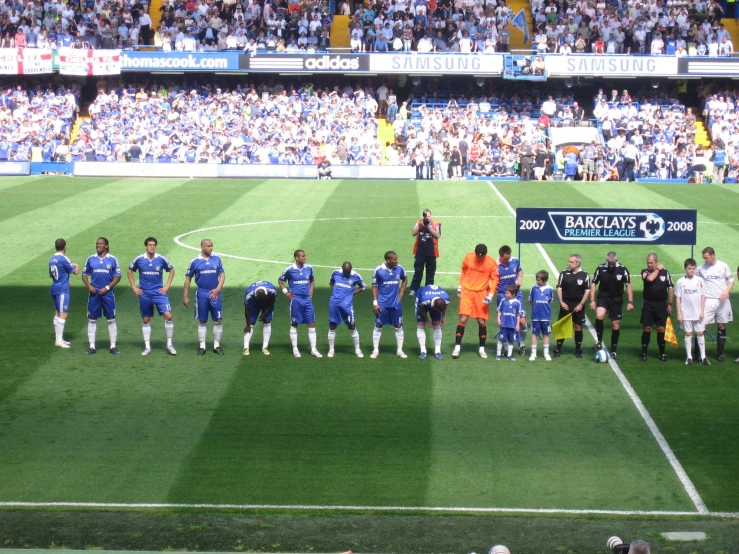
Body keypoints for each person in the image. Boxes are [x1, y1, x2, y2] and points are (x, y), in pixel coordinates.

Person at [127, 237, 176, 356]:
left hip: (159, 292)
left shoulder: (161, 259)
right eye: (150, 245)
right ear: (146, 246)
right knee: (146, 319)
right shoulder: (139, 259)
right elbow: (129, 271)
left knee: (168, 316)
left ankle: (169, 344)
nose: (152, 247)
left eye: (154, 245)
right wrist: (134, 286)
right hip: (144, 293)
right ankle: (147, 347)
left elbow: (171, 270)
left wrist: (167, 285)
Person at [452, 244, 499, 359]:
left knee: (481, 322)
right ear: (475, 253)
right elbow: (463, 271)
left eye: (481, 256)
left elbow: (495, 279)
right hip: (467, 291)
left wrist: (491, 294)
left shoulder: (491, 263)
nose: (479, 258)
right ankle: (457, 347)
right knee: (463, 318)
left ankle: (482, 348)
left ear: (485, 255)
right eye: (478, 256)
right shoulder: (468, 257)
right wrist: (460, 286)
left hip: (481, 292)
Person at [183, 238, 225, 356]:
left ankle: (217, 345)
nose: (211, 248)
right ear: (202, 247)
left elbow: (222, 275)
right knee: (202, 320)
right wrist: (185, 296)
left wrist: (217, 289)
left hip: (215, 294)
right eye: (208, 246)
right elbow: (188, 279)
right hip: (202, 294)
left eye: (212, 246)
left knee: (218, 319)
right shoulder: (194, 262)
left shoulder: (217, 259)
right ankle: (202, 346)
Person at [589, 251, 633, 360]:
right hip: (603, 297)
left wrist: (630, 301)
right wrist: (592, 300)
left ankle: (613, 351)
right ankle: (599, 341)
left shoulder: (623, 269)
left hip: (617, 299)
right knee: (599, 315)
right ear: (607, 261)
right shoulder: (601, 268)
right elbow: (594, 284)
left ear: (616, 261)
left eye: (613, 263)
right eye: (609, 263)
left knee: (615, 324)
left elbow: (628, 285)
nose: (611, 265)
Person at [81, 237, 122, 355]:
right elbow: (84, 275)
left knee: (111, 319)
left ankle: (113, 346)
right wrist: (89, 286)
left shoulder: (113, 259)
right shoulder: (91, 259)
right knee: (92, 319)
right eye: (97, 244)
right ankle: (92, 346)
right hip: (94, 294)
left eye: (100, 244)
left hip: (108, 294)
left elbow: (118, 277)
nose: (98, 245)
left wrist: (107, 288)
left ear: (106, 246)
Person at [279, 249, 322, 358]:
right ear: (296, 258)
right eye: (302, 256)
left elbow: (312, 280)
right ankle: (295, 349)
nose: (304, 258)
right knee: (294, 324)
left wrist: (311, 292)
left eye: (305, 256)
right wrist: (286, 292)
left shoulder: (309, 268)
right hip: (295, 300)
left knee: (311, 323)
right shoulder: (289, 269)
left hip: (307, 300)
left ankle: (313, 349)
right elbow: (281, 281)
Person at [697, 246, 734, 362]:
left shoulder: (723, 266)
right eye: (703, 258)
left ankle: (720, 354)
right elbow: (694, 280)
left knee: (722, 326)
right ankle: (696, 353)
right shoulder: (701, 269)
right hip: (708, 301)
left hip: (722, 301)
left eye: (706, 258)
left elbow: (731, 281)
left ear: (713, 255)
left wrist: (726, 291)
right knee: (701, 327)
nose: (705, 260)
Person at [371, 251, 408, 359]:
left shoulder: (400, 268)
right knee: (378, 326)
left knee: (398, 326)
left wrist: (402, 292)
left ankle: (400, 351)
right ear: (388, 260)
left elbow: (405, 278)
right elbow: (374, 286)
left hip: (396, 304)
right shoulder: (378, 270)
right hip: (382, 304)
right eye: (395, 259)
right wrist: (375, 303)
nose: (397, 261)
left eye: (397, 258)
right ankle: (375, 350)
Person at [640, 253, 675, 362]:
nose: (649, 264)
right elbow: (650, 279)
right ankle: (644, 353)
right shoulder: (645, 272)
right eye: (648, 263)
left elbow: (670, 288)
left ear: (656, 261)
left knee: (661, 329)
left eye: (651, 263)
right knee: (647, 328)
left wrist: (670, 304)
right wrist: (657, 270)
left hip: (661, 305)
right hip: (648, 304)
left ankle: (662, 353)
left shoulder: (666, 273)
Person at [554, 254, 590, 358]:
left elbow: (587, 291)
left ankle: (578, 350)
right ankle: (558, 349)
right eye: (569, 261)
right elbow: (559, 288)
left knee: (578, 326)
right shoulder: (564, 273)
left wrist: (581, 304)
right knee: (562, 326)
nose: (569, 263)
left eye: (571, 262)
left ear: (577, 263)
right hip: (565, 303)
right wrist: (561, 301)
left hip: (578, 304)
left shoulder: (584, 275)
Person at [327, 261, 366, 358]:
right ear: (342, 269)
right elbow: (330, 282)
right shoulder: (335, 273)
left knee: (351, 326)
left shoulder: (356, 276)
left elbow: (363, 287)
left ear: (351, 270)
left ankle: (357, 350)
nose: (346, 274)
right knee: (332, 325)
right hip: (334, 303)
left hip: (347, 305)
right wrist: (335, 291)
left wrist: (352, 293)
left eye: (348, 272)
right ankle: (331, 350)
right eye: (345, 272)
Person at [675, 258, 709, 366]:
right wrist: (679, 313)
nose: (691, 270)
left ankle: (703, 357)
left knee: (700, 333)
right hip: (686, 313)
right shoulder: (680, 282)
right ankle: (689, 357)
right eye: (689, 268)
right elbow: (678, 298)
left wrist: (702, 311)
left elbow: (703, 296)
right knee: (688, 333)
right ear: (685, 268)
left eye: (693, 268)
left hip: (697, 313)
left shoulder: (699, 281)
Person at [49, 238, 80, 348]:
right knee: (64, 313)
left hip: (54, 287)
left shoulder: (52, 259)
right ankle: (58, 340)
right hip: (62, 290)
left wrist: (65, 279)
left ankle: (59, 338)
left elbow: (51, 275)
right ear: (65, 246)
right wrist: (77, 266)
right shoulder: (64, 258)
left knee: (58, 312)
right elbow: (75, 272)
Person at [496, 245, 527, 355]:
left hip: (516, 294)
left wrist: (520, 277)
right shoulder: (495, 265)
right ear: (500, 256)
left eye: (509, 257)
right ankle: (505, 347)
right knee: (504, 322)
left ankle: (522, 344)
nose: (508, 260)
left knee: (522, 322)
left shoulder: (515, 260)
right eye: (505, 258)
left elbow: (520, 271)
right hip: (503, 296)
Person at [409, 209, 441, 296]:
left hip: (431, 253)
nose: (427, 218)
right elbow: (413, 233)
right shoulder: (419, 223)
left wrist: (429, 228)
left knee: (430, 273)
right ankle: (413, 289)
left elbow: (438, 235)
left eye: (428, 216)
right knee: (418, 271)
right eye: (425, 216)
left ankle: (428, 289)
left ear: (431, 216)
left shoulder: (436, 224)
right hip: (420, 252)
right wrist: (420, 226)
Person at [415, 284, 450, 360]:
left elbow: (445, 305)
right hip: (422, 300)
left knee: (437, 324)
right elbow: (421, 309)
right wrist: (427, 320)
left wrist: (443, 316)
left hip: (434, 300)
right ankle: (423, 350)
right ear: (433, 305)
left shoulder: (446, 298)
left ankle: (438, 351)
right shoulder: (424, 299)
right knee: (421, 324)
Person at [243, 280, 278, 356]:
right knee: (251, 323)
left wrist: (265, 313)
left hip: (267, 303)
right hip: (254, 303)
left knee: (267, 321)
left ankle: (265, 347)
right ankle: (246, 348)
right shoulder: (249, 294)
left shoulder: (272, 290)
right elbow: (247, 310)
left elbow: (272, 301)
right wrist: (247, 324)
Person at [528, 270, 554, 361]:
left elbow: (550, 301)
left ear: (544, 280)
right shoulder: (534, 288)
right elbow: (530, 301)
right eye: (536, 279)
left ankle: (546, 353)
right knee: (534, 334)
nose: (537, 281)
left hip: (546, 317)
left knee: (546, 334)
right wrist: (535, 309)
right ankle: (533, 353)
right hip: (535, 317)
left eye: (539, 280)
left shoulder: (550, 289)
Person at [497, 284, 524, 361]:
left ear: (513, 294)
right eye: (506, 293)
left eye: (507, 293)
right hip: (504, 324)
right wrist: (499, 319)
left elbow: (518, 315)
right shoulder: (503, 301)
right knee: (501, 339)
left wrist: (517, 324)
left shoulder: (517, 303)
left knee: (511, 340)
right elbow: (499, 311)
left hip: (512, 325)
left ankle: (509, 355)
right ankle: (498, 354)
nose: (506, 294)